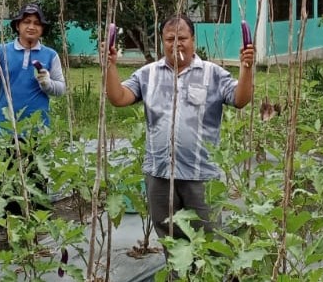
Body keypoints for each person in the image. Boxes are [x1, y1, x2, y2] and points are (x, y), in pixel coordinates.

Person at [103, 15, 255, 245]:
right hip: (160, 174)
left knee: (209, 242)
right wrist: (110, 65)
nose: (176, 44)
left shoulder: (212, 73)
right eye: (169, 39)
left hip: (200, 175)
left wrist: (246, 68)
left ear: (193, 40)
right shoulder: (148, 74)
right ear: (162, 42)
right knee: (170, 241)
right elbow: (118, 97)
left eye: (182, 38)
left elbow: (240, 99)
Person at [0, 2, 67, 215]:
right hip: (6, 130)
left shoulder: (50, 55)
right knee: (9, 187)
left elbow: (61, 89)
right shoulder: (2, 51)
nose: (31, 27)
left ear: (42, 29)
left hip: (37, 133)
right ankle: (13, 231)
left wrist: (46, 84)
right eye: (26, 22)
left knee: (36, 185)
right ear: (17, 25)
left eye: (37, 23)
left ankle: (34, 234)